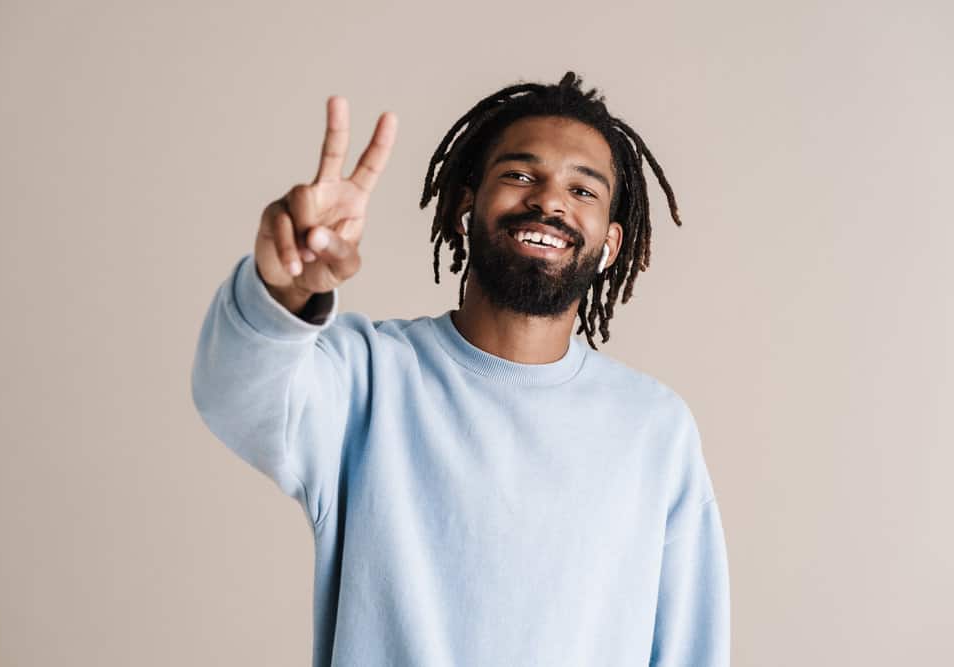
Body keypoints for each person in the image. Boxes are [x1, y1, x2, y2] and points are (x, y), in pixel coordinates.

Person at [191, 71, 730, 667]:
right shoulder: (369, 377)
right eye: (520, 175)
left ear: (610, 245)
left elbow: (690, 650)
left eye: (583, 191)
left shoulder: (654, 428)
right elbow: (235, 396)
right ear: (463, 207)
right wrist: (283, 292)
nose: (549, 201)